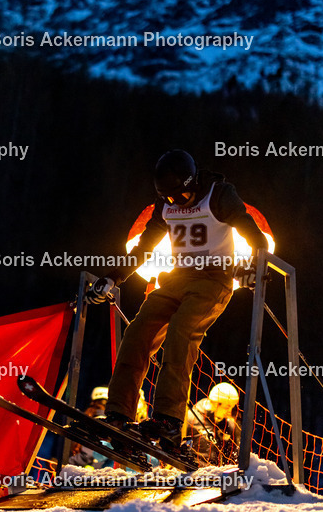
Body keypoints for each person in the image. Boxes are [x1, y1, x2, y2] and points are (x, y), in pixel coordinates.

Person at [87, 149, 268, 451]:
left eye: (180, 195)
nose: (175, 202)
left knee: (181, 332)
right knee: (137, 333)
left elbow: (256, 237)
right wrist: (114, 277)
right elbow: (145, 247)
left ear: (193, 182)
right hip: (176, 277)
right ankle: (119, 413)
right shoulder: (166, 204)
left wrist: (251, 267)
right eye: (168, 197)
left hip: (213, 279)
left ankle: (169, 419)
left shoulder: (219, 195)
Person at [186, 382, 241, 464]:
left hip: (218, 473)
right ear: (216, 404)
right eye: (227, 407)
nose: (229, 412)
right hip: (195, 472)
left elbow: (235, 455)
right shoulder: (192, 420)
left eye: (232, 407)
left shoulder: (229, 424)